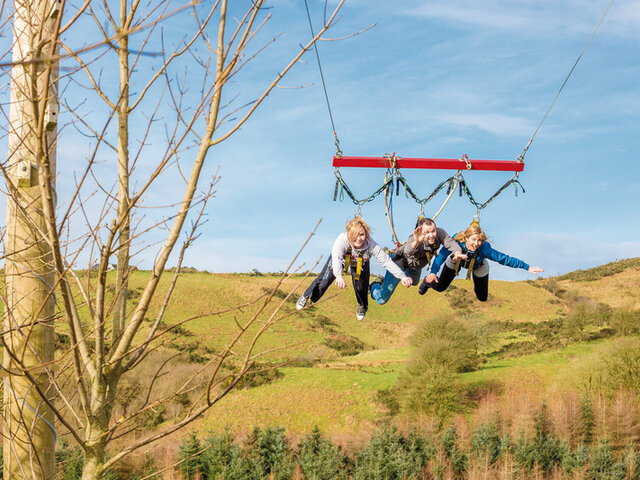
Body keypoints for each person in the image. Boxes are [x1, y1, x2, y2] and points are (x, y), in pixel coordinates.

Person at [297, 217, 412, 320]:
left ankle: (362, 306)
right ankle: (307, 296)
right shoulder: (341, 241)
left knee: (361, 287)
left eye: (362, 235)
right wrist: (338, 275)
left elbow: (386, 261)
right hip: (340, 260)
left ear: (366, 234)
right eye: (355, 235)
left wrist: (402, 276)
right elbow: (336, 258)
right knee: (323, 281)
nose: (359, 239)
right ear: (349, 235)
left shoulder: (371, 244)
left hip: (361, 262)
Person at [418, 222, 544, 301]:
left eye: (479, 240)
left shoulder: (484, 248)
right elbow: (441, 256)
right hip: (456, 261)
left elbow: (504, 259)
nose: (476, 244)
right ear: (466, 238)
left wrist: (527, 267)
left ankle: (477, 287)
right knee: (440, 287)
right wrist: (433, 272)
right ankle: (426, 282)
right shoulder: (455, 241)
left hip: (478, 265)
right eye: (473, 240)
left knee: (482, 297)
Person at [370, 217, 463, 305]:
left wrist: (457, 253)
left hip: (415, 266)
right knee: (382, 299)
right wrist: (416, 242)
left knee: (414, 282)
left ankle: (390, 254)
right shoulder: (414, 238)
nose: (431, 235)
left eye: (433, 231)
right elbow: (407, 251)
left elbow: (451, 243)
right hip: (399, 263)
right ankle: (374, 285)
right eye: (427, 232)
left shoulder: (439, 233)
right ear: (421, 232)